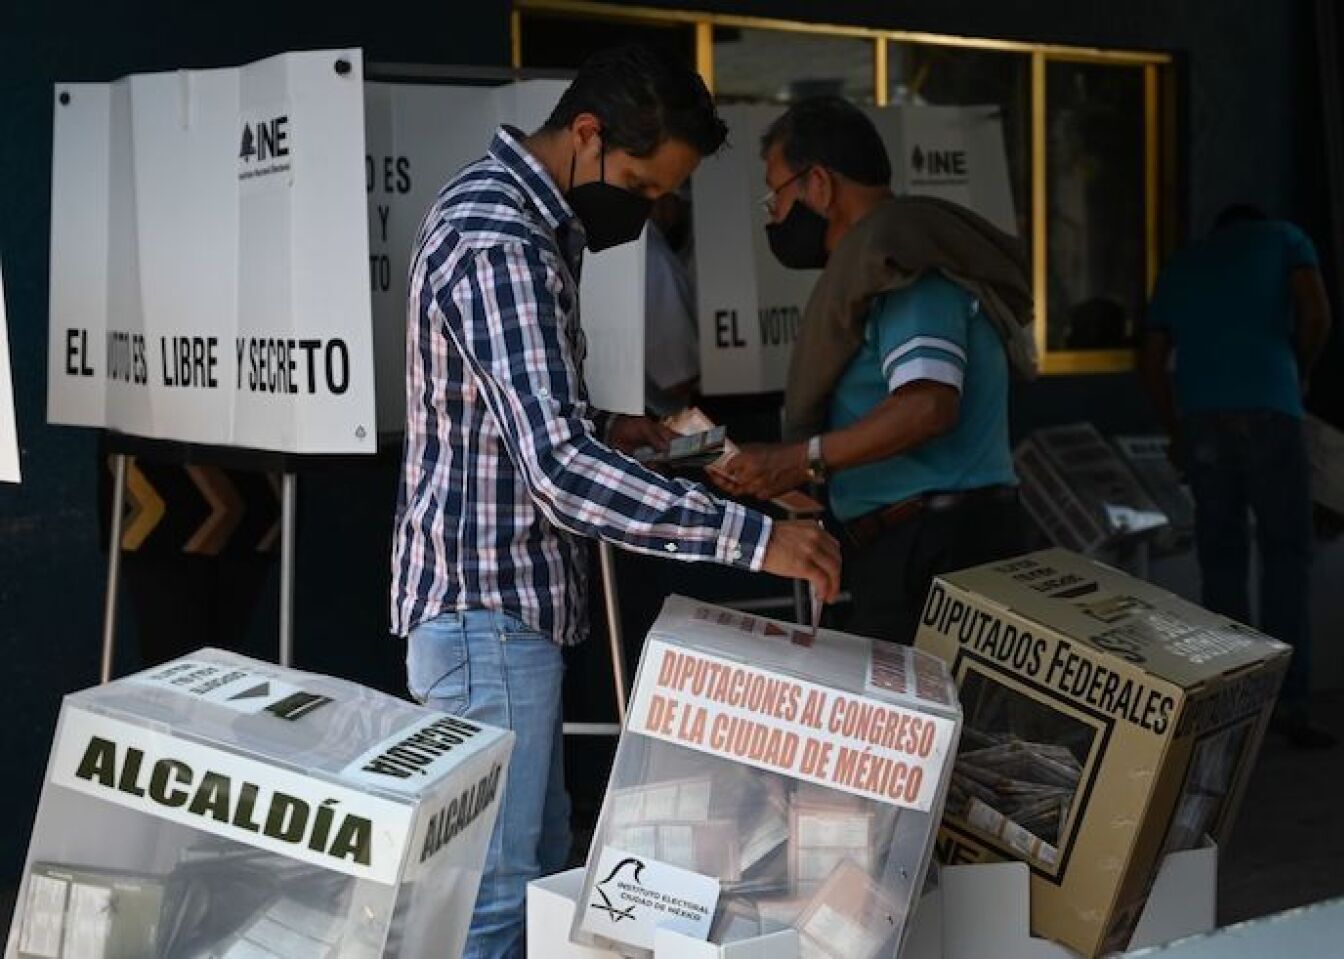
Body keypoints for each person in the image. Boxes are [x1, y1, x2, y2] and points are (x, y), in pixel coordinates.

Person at [389, 46, 841, 959]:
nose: (640, 213)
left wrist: (616, 427)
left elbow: (510, 415)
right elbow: (556, 470)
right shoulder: (501, 239)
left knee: (528, 873)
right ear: (586, 135)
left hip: (499, 617)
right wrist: (756, 540)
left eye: (659, 198)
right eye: (637, 186)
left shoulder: (519, 221)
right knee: (498, 899)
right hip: (487, 614)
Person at [712, 96, 1036, 646]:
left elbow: (928, 404)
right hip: (913, 545)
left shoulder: (904, 269)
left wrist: (802, 457)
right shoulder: (877, 269)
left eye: (777, 194)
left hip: (937, 551)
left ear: (819, 184)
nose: (773, 214)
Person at [1140, 203, 1334, 749]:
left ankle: (1231, 712)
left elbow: (1151, 359)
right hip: (1273, 411)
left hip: (1203, 422)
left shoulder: (1184, 262)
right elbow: (1317, 313)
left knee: (1221, 560)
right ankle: (1289, 705)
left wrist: (1175, 427)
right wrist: (1298, 372)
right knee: (1285, 557)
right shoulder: (1287, 237)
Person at [643, 189, 700, 417]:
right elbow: (678, 377)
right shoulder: (655, 258)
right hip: (654, 422)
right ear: (664, 200)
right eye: (683, 206)